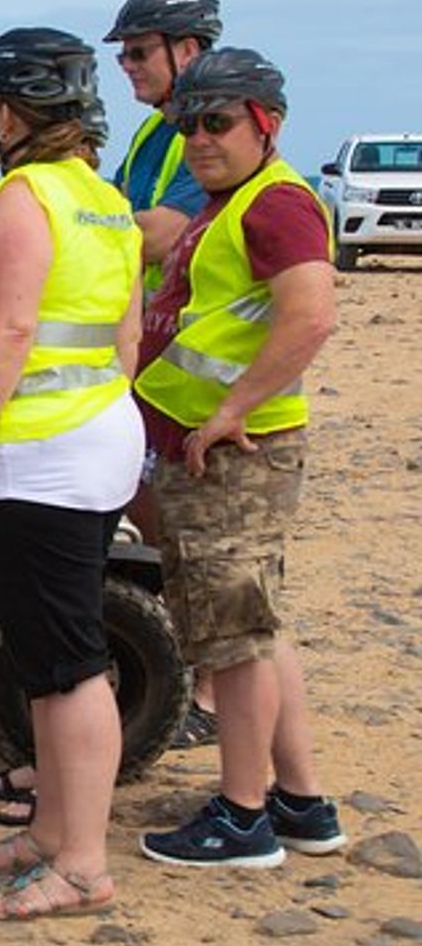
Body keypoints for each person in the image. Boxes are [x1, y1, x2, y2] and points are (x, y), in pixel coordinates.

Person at [0, 28, 143, 920]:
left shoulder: (25, 198)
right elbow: (124, 341)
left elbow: (11, 331)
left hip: (38, 455)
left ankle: (83, 864)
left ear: (11, 112)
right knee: (48, 653)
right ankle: (52, 833)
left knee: (68, 662)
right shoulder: (105, 200)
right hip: (94, 437)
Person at [134, 48, 346, 867]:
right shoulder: (228, 207)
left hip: (235, 455)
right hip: (209, 449)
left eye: (217, 122)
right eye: (187, 126)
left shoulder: (277, 204)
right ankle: (300, 801)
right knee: (253, 627)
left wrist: (230, 410)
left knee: (230, 639)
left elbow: (312, 315)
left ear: (267, 124)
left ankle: (243, 815)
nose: (199, 141)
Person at [104, 0, 228, 751]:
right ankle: (181, 663)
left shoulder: (208, 134)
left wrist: (83, 224)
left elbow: (163, 232)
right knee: (146, 506)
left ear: (190, 49)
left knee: (197, 526)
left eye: (139, 51)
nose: (126, 65)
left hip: (202, 362)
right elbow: (122, 216)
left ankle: (211, 690)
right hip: (152, 354)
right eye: (121, 53)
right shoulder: (154, 135)